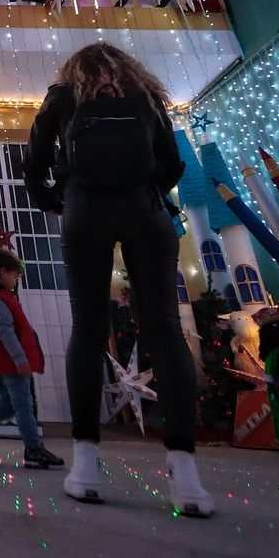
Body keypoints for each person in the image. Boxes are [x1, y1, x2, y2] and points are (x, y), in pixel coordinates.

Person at [25, 42, 214, 516]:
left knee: (87, 329)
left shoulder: (65, 95)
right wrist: (144, 190)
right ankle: (186, 477)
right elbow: (173, 164)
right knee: (166, 330)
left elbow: (33, 158)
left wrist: (55, 197)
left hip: (84, 209)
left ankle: (85, 466)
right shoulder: (146, 95)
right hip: (145, 210)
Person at [0, 247, 63, 470]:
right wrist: (20, 360)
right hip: (9, 362)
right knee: (24, 404)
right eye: (15, 276)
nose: (16, 281)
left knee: (7, 403)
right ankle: (34, 449)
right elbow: (5, 330)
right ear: (3, 272)